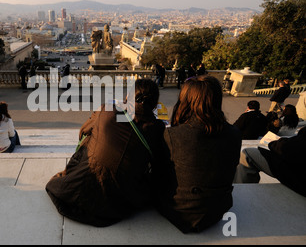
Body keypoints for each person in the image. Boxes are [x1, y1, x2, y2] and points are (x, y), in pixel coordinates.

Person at [46, 79, 167, 227]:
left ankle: (75, 171)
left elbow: (83, 132)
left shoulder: (108, 110)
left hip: (76, 190)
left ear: (128, 97)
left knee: (92, 136)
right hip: (120, 201)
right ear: (154, 104)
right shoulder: (158, 128)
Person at [155, 75, 242, 233]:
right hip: (217, 208)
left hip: (180, 210)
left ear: (185, 100)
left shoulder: (174, 135)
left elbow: (159, 172)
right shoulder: (234, 133)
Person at [234, 126, 306, 197]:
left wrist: (276, 144)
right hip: (297, 165)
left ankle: (240, 193)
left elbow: (291, 148)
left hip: (297, 174)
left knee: (247, 154)